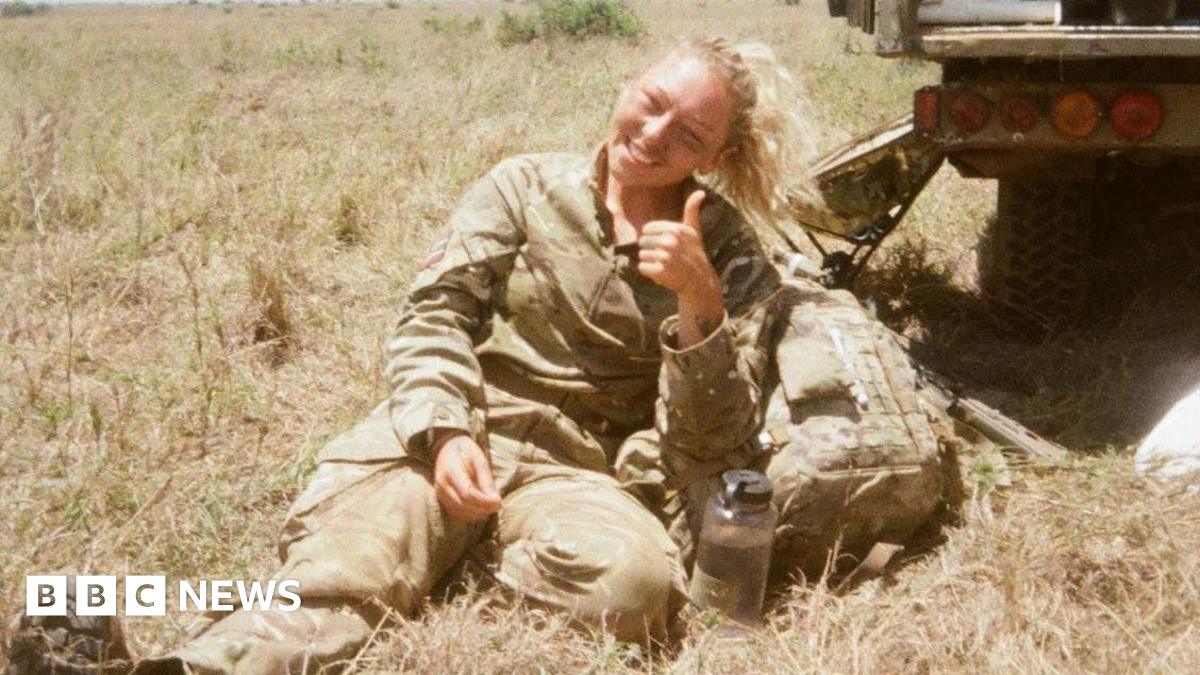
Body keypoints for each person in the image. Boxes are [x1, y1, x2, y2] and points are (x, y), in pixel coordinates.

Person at [11, 37, 955, 675]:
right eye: (651, 102)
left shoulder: (731, 251)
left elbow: (716, 455)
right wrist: (439, 426)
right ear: (628, 86)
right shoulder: (523, 186)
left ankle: (466, 553)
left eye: (689, 134)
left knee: (634, 590)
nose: (653, 134)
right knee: (349, 570)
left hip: (578, 471)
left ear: (713, 156)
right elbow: (433, 317)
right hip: (460, 429)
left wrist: (700, 310)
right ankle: (140, 645)